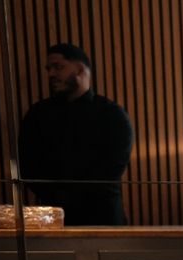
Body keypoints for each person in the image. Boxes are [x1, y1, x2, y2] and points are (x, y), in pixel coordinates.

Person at [19, 43, 133, 225]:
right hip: (52, 217)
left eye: (58, 67)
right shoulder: (37, 114)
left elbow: (113, 167)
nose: (51, 74)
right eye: (49, 69)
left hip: (103, 218)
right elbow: (27, 165)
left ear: (80, 69)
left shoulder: (112, 115)